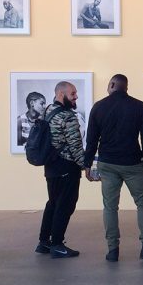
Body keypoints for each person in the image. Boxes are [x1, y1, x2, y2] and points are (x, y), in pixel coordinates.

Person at [84, 74, 143, 263]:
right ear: (126, 87)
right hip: (132, 163)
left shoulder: (99, 107)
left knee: (110, 207)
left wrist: (87, 164)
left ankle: (113, 249)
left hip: (108, 163)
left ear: (112, 85)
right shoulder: (138, 106)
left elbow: (91, 139)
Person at [36, 82, 85, 258]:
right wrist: (85, 166)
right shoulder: (67, 116)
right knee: (65, 205)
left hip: (51, 166)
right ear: (60, 94)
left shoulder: (47, 110)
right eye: (72, 94)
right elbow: (75, 146)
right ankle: (57, 244)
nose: (76, 97)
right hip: (66, 167)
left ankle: (43, 242)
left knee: (53, 203)